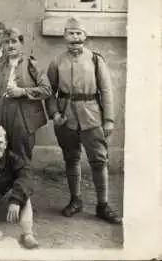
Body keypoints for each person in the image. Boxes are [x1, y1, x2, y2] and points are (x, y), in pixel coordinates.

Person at [46, 17, 122, 224]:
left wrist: (108, 120)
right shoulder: (57, 62)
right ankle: (76, 200)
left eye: (79, 33)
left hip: (92, 116)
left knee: (99, 160)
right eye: (71, 33)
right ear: (64, 36)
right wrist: (54, 115)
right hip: (66, 118)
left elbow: (106, 91)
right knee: (71, 159)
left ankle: (103, 205)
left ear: (85, 36)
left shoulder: (96, 60)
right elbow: (48, 92)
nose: (75, 37)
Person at [0, 28, 52, 162]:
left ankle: (23, 182)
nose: (10, 46)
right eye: (6, 42)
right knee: (1, 157)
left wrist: (23, 92)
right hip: (1, 116)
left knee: (21, 158)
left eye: (14, 42)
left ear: (21, 43)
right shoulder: (0, 67)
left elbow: (46, 90)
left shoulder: (31, 65)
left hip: (23, 118)